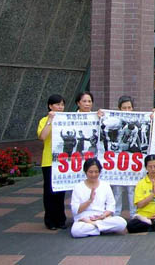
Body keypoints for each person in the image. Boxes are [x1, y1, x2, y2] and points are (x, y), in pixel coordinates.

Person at [70, 158, 127, 238]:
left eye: (96, 172)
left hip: (101, 217)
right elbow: (75, 210)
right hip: (84, 219)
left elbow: (111, 206)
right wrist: (89, 201)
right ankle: (104, 229)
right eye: (91, 172)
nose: (93, 175)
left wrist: (102, 216)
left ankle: (95, 226)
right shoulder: (78, 187)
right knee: (76, 231)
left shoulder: (105, 185)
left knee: (122, 223)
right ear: (85, 172)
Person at [37, 94, 67, 230]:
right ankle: (50, 220)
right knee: (49, 191)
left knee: (61, 191)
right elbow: (42, 136)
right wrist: (50, 120)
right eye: (57, 104)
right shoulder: (44, 120)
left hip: (63, 161)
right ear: (50, 106)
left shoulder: (67, 119)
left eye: (62, 105)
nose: (60, 107)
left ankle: (61, 219)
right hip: (49, 161)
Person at [112, 95, 137, 219]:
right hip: (118, 157)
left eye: (129, 107)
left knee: (132, 188)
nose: (127, 110)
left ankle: (133, 214)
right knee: (117, 188)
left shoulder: (136, 124)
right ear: (119, 109)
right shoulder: (115, 121)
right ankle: (116, 214)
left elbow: (136, 138)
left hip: (131, 157)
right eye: (124, 108)